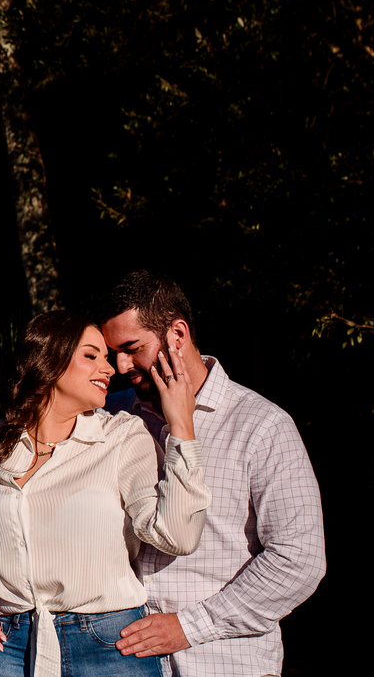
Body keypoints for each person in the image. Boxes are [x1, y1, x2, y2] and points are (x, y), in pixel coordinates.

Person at [0, 310, 211, 677]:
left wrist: (182, 427)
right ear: (49, 360)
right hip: (3, 641)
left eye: (106, 359)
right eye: (92, 356)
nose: (110, 369)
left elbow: (178, 536)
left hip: (110, 644)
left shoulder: (123, 437)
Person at [100, 270, 326, 677]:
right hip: (119, 661)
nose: (120, 365)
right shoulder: (107, 415)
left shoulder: (262, 425)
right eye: (113, 351)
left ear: (178, 334)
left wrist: (190, 626)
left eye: (132, 348)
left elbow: (299, 558)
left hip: (224, 662)